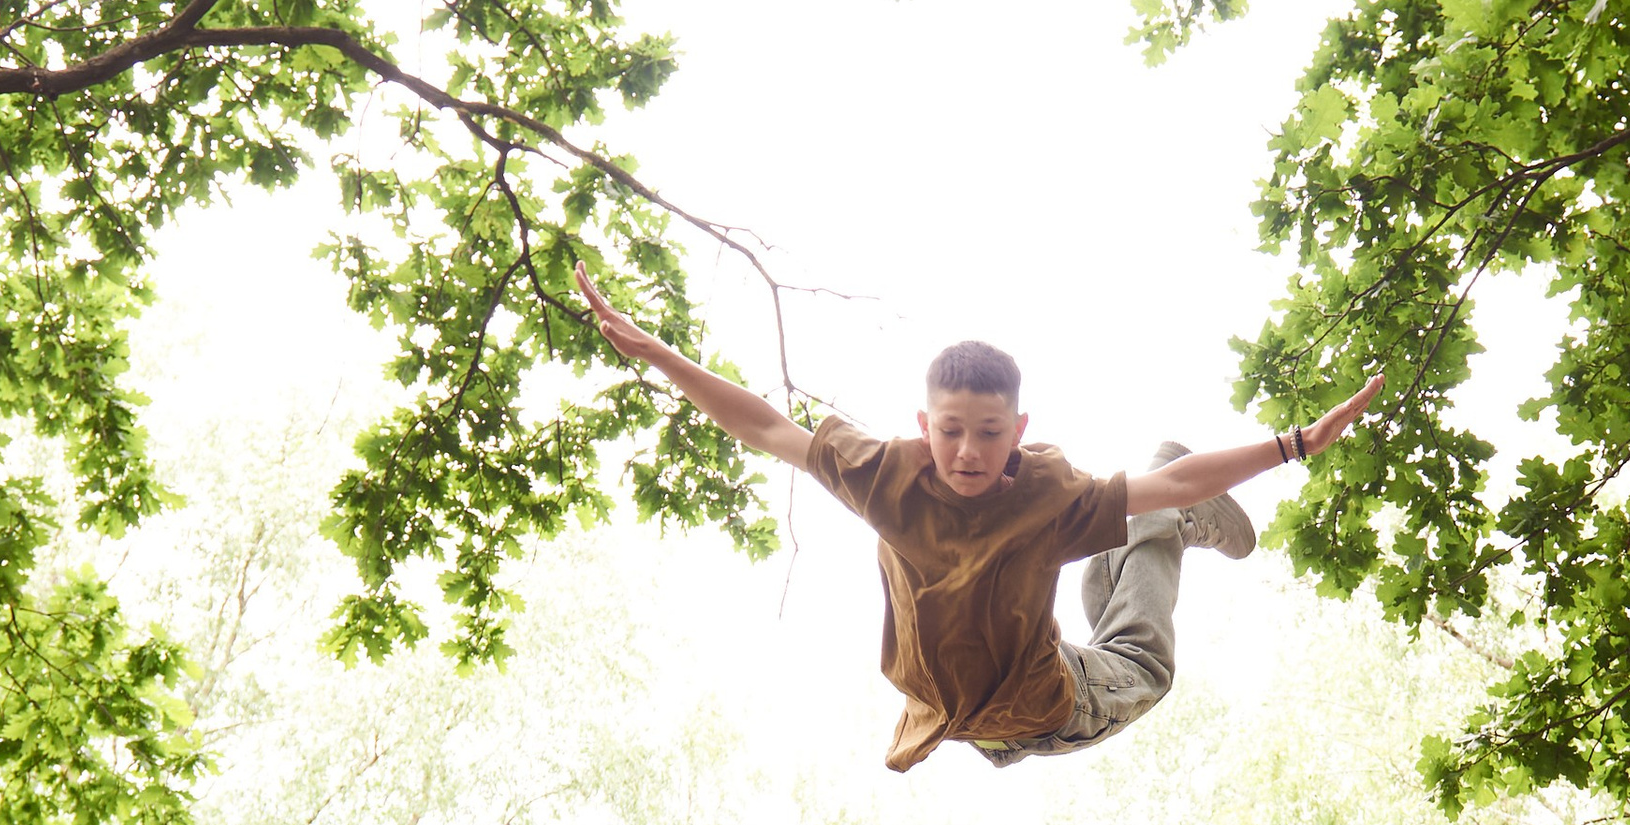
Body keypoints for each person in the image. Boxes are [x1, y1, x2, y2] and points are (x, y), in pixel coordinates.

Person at [574, 263, 1382, 771]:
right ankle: (1143, 527)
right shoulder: (881, 474)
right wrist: (660, 355)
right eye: (950, 432)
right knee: (1123, 532)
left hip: (1053, 701)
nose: (967, 452)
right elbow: (763, 425)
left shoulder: (1043, 489)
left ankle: (1164, 524)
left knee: (1141, 655)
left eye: (990, 435)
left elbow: (1164, 487)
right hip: (984, 712)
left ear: (1018, 432)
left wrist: (1295, 444)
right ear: (922, 425)